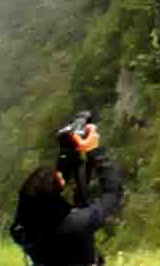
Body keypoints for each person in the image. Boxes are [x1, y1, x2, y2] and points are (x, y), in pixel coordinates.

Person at [11, 113, 125, 266]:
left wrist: (67, 151)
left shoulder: (21, 229)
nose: (59, 174)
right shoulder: (75, 224)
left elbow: (46, 195)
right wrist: (94, 151)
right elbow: (113, 192)